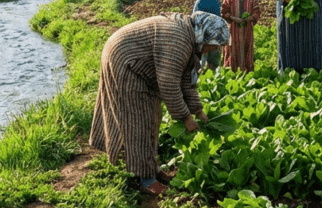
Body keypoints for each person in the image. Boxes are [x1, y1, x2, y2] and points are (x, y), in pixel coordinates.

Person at [89, 11, 229, 196]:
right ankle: (146, 180)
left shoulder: (189, 35)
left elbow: (186, 80)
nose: (215, 50)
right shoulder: (179, 41)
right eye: (215, 45)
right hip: (126, 62)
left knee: (153, 117)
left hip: (132, 59)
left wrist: (198, 110)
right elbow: (169, 84)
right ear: (205, 37)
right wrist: (186, 117)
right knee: (140, 121)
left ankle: (151, 168)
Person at [220, 0, 260, 73]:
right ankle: (231, 72)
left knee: (247, 49)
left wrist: (251, 18)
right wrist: (233, 18)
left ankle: (247, 72)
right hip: (233, 31)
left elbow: (257, 11)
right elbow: (223, 12)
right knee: (232, 50)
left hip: (247, 30)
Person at [193, 0, 222, 72]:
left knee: (214, 62)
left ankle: (213, 82)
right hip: (204, 39)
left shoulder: (217, 1)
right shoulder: (201, 2)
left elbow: (219, 19)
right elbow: (196, 21)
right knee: (202, 63)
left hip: (214, 38)